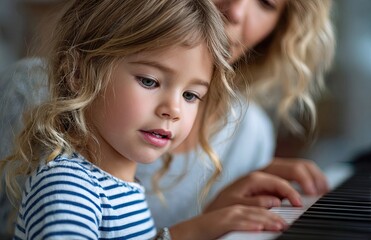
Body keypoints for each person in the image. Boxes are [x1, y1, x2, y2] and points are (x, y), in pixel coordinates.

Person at [0, 0, 303, 239]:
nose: (173, 109)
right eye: (149, 81)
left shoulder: (121, 188)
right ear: (77, 73)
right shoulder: (66, 189)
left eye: (191, 96)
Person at [136, 0, 335, 229]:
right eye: (147, 82)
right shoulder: (93, 110)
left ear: (277, 30)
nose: (235, 11)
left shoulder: (250, 132)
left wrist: (215, 221)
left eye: (266, 3)